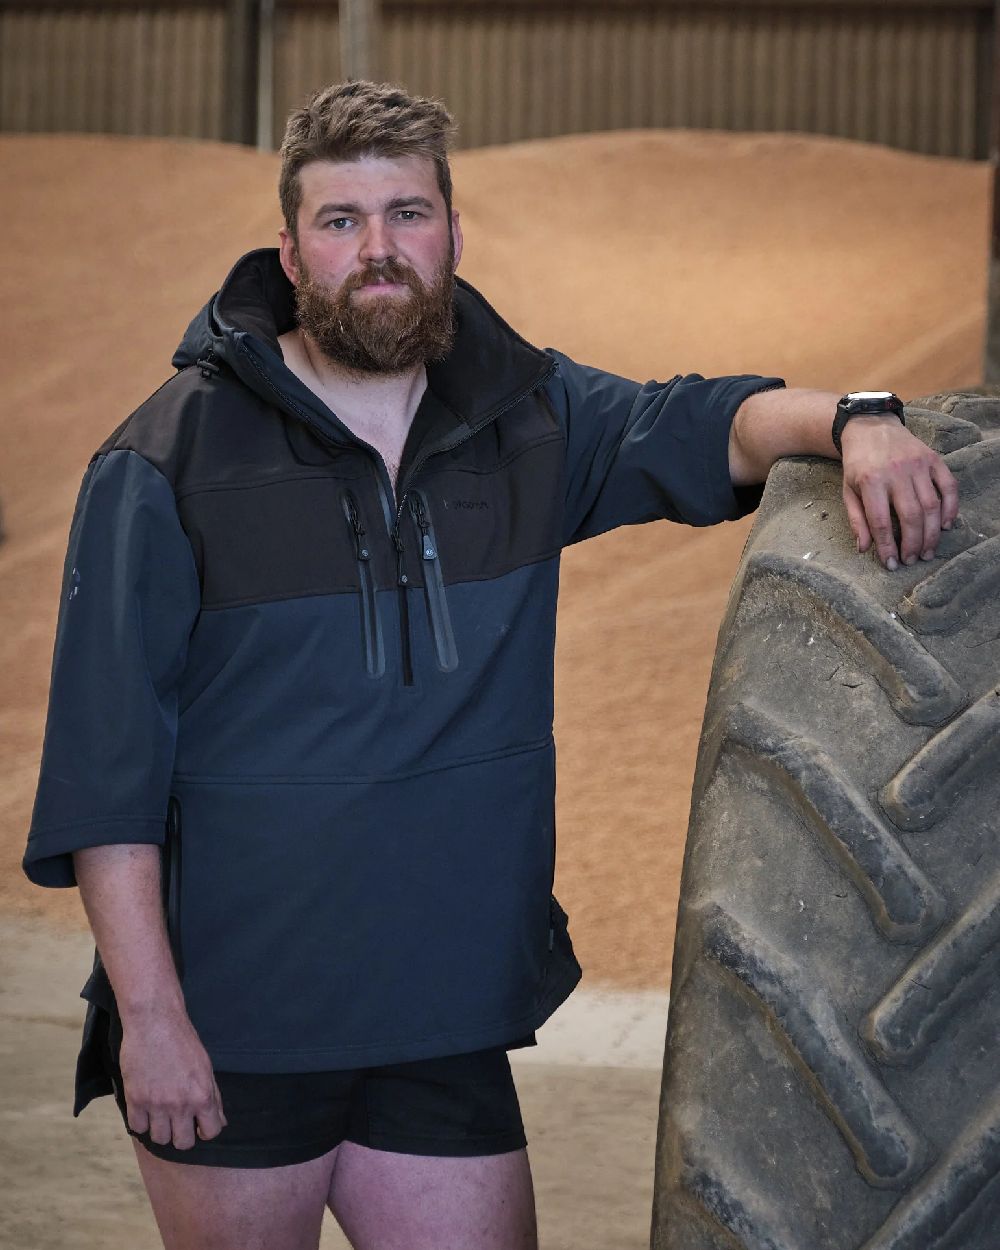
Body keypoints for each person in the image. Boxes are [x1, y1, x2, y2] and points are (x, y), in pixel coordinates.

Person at [23, 80, 957, 1250]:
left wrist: (859, 416)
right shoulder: (162, 461)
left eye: (408, 214)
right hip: (236, 1024)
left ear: (453, 232)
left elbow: (711, 421)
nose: (380, 250)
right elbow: (108, 775)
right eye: (342, 220)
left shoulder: (531, 422)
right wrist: (151, 1019)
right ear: (289, 249)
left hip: (443, 1019)